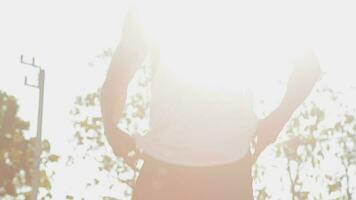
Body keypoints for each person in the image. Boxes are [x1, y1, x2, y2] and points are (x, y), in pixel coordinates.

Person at [100, 1, 321, 199]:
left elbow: (119, 74)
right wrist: (275, 122)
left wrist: (111, 127)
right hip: (222, 174)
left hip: (173, 173)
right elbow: (309, 67)